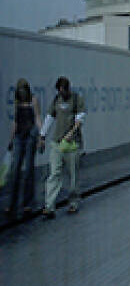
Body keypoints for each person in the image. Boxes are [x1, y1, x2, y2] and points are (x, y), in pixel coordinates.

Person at [40, 77, 87, 218]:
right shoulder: (56, 100)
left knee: (73, 175)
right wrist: (42, 135)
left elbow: (80, 120)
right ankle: (49, 206)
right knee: (54, 173)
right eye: (60, 91)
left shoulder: (77, 99)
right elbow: (49, 117)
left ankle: (73, 202)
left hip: (72, 144)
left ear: (68, 88)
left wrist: (71, 133)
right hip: (57, 143)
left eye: (64, 90)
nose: (62, 93)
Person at [5, 79, 42, 218]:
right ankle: (13, 203)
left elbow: (37, 118)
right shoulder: (17, 102)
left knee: (28, 170)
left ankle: (27, 203)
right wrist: (11, 139)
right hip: (20, 135)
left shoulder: (33, 100)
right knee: (15, 170)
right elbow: (15, 121)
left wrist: (40, 136)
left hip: (30, 134)